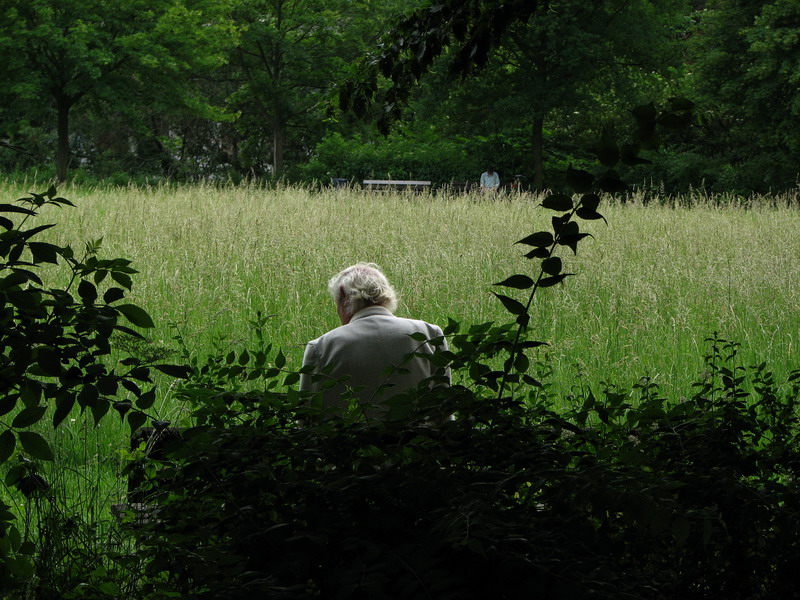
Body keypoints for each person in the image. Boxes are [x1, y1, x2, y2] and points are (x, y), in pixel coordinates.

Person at [299, 263, 450, 418]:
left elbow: (307, 417)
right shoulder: (430, 334)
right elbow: (444, 409)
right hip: (420, 440)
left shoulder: (321, 347)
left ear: (344, 296)